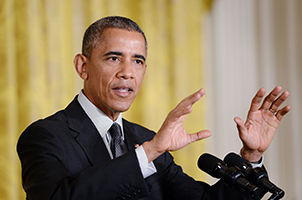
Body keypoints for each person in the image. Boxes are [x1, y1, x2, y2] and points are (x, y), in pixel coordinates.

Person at [17, 16, 290, 200]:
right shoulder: (44, 136)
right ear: (82, 66)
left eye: (138, 61)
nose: (128, 73)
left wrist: (251, 155)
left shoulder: (144, 138)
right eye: (114, 58)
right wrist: (148, 153)